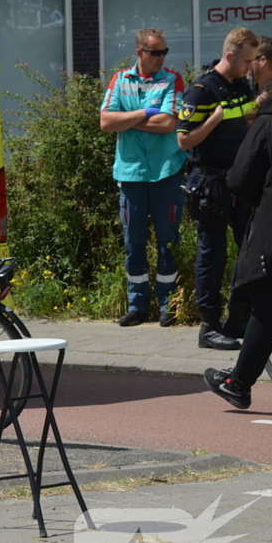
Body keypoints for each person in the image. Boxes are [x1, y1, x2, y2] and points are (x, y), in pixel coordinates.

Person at [205, 60, 272, 409]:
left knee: (270, 309)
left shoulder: (270, 120)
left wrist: (260, 198)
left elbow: (240, 178)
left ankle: (238, 383)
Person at [177, 28, 258, 350]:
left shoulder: (241, 84)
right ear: (230, 55)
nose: (250, 67)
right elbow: (183, 140)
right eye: (247, 60)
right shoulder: (201, 90)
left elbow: (248, 120)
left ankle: (239, 319)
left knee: (250, 251)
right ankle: (209, 328)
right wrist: (213, 120)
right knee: (213, 256)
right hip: (209, 182)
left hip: (238, 181)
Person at [100, 28, 187, 327]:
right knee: (133, 243)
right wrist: (144, 112)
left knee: (168, 241)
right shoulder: (120, 80)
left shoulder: (172, 79)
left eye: (164, 52)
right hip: (131, 173)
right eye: (155, 52)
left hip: (166, 172)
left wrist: (128, 121)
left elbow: (166, 122)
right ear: (139, 53)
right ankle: (137, 306)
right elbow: (105, 121)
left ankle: (168, 304)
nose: (161, 58)